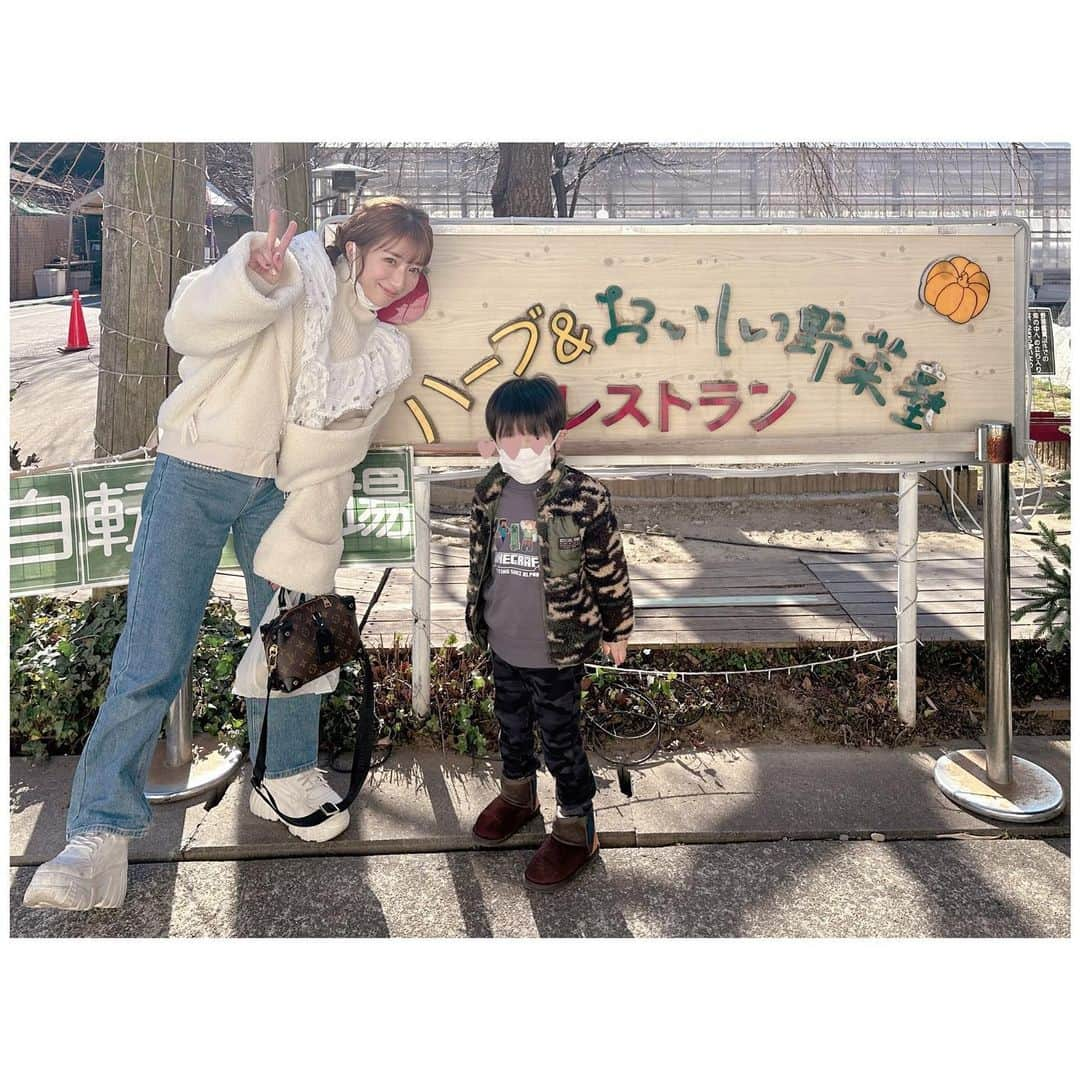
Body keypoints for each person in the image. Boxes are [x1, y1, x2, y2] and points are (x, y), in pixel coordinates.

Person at [24, 199, 434, 910]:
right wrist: (249, 277)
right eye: (389, 258)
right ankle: (97, 833)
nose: (398, 277)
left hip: (287, 490)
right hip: (197, 468)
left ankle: (289, 772)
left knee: (302, 634)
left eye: (412, 267)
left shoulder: (381, 349)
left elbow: (342, 441)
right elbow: (185, 325)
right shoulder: (290, 269)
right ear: (355, 247)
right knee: (152, 650)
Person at [465, 374, 634, 890]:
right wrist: (478, 620)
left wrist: (617, 629)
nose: (520, 448)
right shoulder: (489, 490)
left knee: (561, 739)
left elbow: (609, 568)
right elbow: (480, 563)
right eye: (508, 437)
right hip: (504, 641)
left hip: (557, 650)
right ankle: (518, 795)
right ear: (494, 440)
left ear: (556, 437)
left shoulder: (584, 496)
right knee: (511, 725)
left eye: (532, 436)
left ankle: (576, 826)